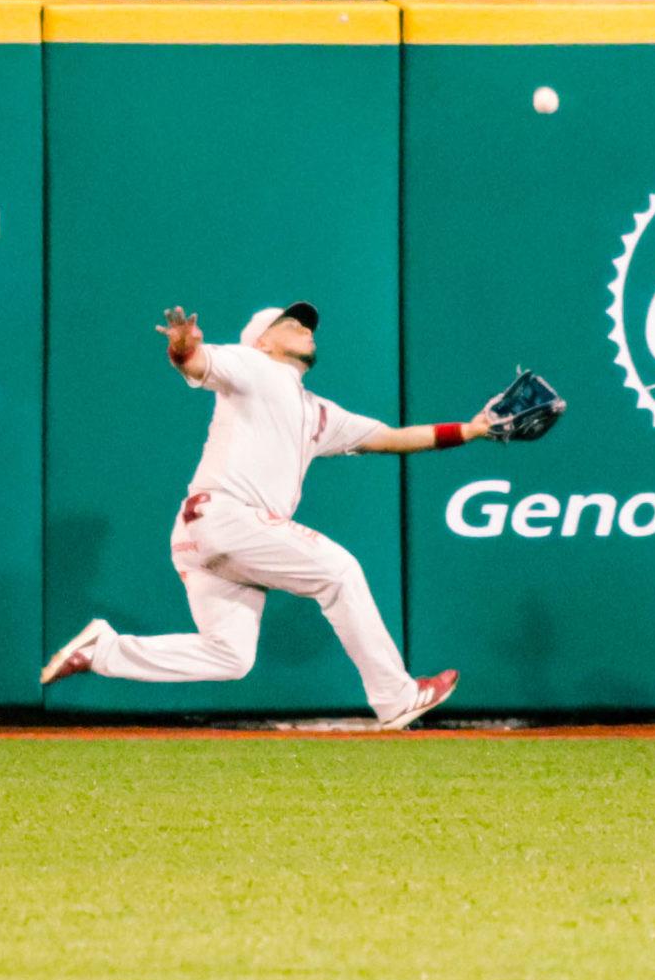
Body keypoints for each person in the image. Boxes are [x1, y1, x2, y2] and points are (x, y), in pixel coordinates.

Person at [41, 301, 491, 729]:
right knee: (338, 571)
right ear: (262, 341)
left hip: (204, 536)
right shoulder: (254, 366)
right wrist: (181, 348)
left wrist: (471, 430)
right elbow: (195, 363)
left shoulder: (318, 412)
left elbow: (391, 437)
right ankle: (397, 697)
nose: (304, 327)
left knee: (231, 656)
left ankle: (105, 651)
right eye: (290, 323)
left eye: (307, 324)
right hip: (229, 516)